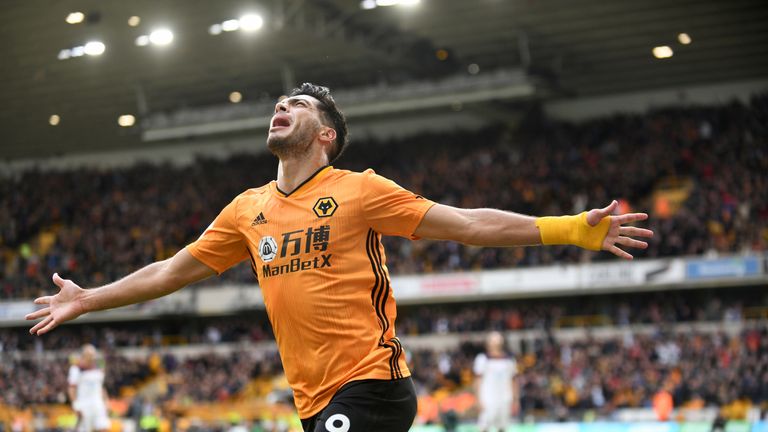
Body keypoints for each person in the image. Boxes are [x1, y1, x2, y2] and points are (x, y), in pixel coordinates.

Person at [27, 83, 653, 432]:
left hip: (373, 387)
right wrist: (88, 298)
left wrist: (572, 228)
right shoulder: (246, 209)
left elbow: (467, 226)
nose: (282, 106)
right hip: (311, 402)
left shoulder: (360, 190)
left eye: (298, 105)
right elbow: (169, 272)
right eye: (281, 103)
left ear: (324, 134)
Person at [473, 332, 518, 432]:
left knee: (502, 427)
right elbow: (477, 381)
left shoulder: (509, 360)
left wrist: (515, 399)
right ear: (488, 343)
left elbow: (513, 380)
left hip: (505, 398)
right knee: (484, 426)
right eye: (493, 339)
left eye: (497, 338)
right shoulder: (482, 359)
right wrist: (478, 399)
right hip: (488, 398)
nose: (495, 342)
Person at [68, 344, 110, 432]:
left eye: (93, 355)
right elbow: (72, 389)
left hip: (98, 403)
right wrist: (76, 406)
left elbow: (101, 386)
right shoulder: (76, 369)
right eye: (89, 355)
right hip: (84, 404)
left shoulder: (99, 367)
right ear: (83, 355)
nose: (92, 357)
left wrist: (106, 402)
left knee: (103, 428)